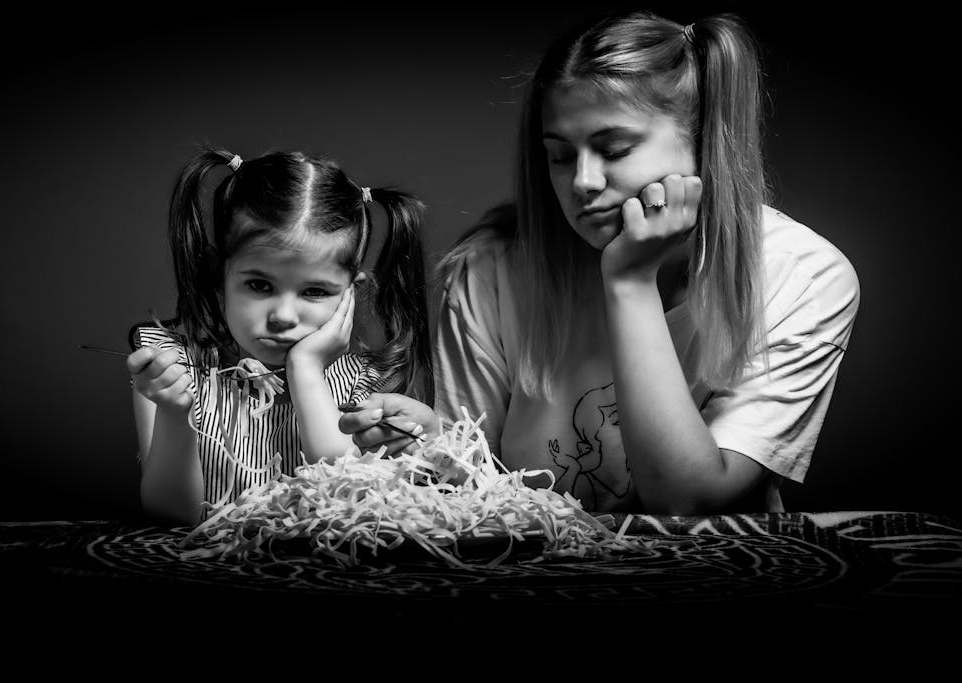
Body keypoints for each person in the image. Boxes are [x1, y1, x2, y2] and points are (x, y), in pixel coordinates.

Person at [339, 10, 860, 514]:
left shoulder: (805, 275)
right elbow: (474, 491)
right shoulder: (491, 271)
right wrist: (433, 446)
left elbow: (685, 504)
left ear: (704, 146)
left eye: (613, 149)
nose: (582, 183)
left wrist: (631, 282)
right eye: (561, 156)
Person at [127, 147, 432, 525]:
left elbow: (346, 501)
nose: (284, 317)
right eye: (259, 284)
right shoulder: (172, 366)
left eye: (315, 292)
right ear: (217, 275)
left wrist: (305, 369)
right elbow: (172, 514)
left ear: (351, 292)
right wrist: (175, 414)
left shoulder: (364, 383)